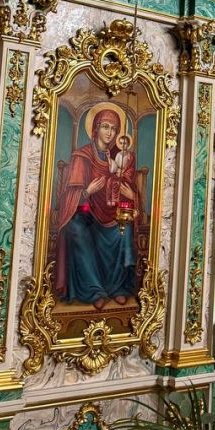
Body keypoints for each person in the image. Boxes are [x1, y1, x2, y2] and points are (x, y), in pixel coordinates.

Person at [54, 107, 137, 309]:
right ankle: (94, 290)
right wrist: (87, 191)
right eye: (105, 127)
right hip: (85, 213)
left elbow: (129, 189)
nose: (109, 133)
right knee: (76, 229)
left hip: (111, 212)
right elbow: (68, 198)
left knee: (124, 230)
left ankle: (118, 288)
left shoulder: (121, 158)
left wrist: (132, 196)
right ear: (95, 128)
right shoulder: (82, 156)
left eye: (114, 129)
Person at [106, 132, 136, 212]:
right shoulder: (118, 154)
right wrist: (109, 158)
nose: (123, 145)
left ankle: (116, 200)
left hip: (126, 176)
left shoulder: (130, 156)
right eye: (121, 143)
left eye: (125, 143)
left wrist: (124, 173)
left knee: (117, 182)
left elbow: (131, 169)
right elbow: (115, 165)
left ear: (128, 144)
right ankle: (110, 200)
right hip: (118, 173)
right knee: (110, 180)